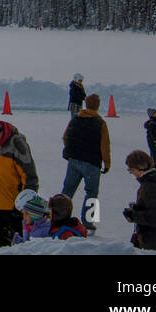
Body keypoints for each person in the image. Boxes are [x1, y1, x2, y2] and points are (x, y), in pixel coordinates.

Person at [0, 115, 39, 250]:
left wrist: (24, 207)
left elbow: (30, 177)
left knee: (19, 249)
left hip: (15, 210)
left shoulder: (17, 144)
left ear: (0, 131)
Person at [61, 93, 110, 232]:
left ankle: (59, 218)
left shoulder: (76, 119)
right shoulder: (100, 123)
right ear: (98, 105)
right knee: (92, 193)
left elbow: (65, 137)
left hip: (74, 161)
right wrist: (107, 163)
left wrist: (70, 152)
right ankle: (88, 222)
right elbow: (105, 146)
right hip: (92, 164)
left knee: (67, 191)